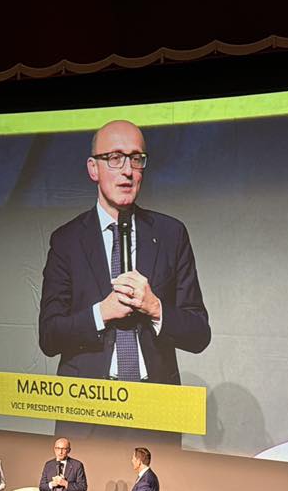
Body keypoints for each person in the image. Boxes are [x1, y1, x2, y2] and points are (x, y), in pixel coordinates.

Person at [38, 119, 211, 384]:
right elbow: (49, 337)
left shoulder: (171, 234)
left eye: (136, 159)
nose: (128, 170)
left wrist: (154, 307)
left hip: (155, 399)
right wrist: (101, 313)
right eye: (115, 158)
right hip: (89, 400)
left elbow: (199, 335)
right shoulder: (66, 241)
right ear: (93, 168)